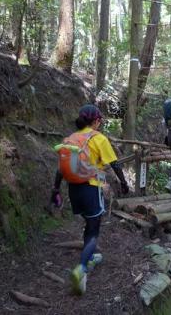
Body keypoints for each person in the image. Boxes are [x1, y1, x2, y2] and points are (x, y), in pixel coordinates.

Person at [50, 104, 129, 295]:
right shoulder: (98, 138)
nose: (100, 122)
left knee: (89, 222)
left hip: (73, 189)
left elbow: (61, 168)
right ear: (95, 121)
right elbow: (114, 164)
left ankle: (91, 256)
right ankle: (82, 267)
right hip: (91, 188)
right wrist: (124, 183)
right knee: (94, 230)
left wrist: (55, 189)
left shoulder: (71, 138)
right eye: (99, 119)